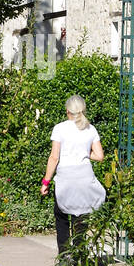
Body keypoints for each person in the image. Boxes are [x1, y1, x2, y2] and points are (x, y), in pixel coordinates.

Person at [41, 95, 106, 255]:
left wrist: (45, 182)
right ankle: (79, 258)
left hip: (66, 181)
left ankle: (64, 259)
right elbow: (99, 156)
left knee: (62, 218)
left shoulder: (59, 128)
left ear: (67, 110)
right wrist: (84, 152)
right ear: (83, 110)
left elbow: (54, 157)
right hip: (85, 180)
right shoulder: (91, 129)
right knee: (80, 221)